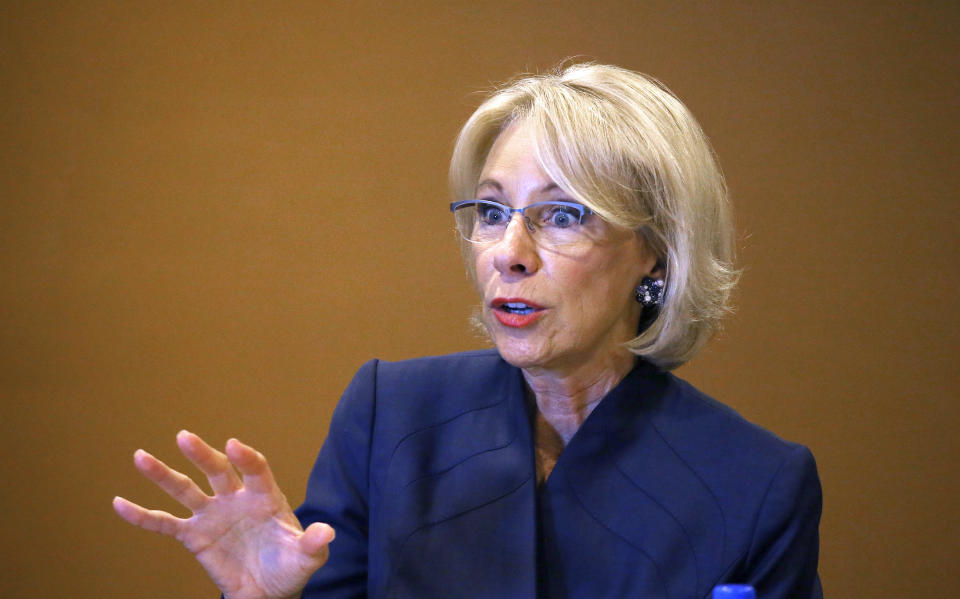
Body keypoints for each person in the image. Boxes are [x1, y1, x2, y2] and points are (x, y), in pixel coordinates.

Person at [113, 63, 823, 598]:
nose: (509, 251)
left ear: (655, 252)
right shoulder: (390, 411)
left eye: (563, 215)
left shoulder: (758, 484)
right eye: (491, 211)